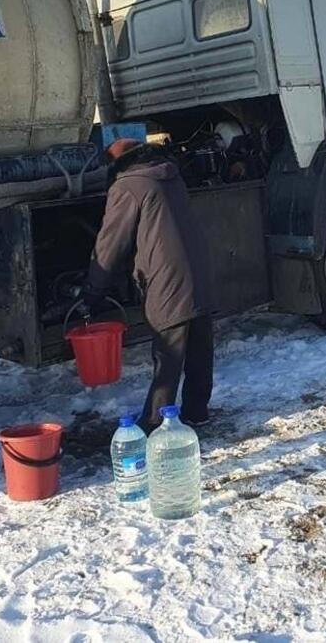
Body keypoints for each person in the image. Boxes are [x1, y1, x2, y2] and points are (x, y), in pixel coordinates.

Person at [84, 138, 214, 433]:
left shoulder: (128, 186)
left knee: (168, 353)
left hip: (166, 277)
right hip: (197, 268)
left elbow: (111, 244)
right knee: (199, 346)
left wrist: (93, 290)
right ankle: (197, 411)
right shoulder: (170, 175)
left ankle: (155, 423)